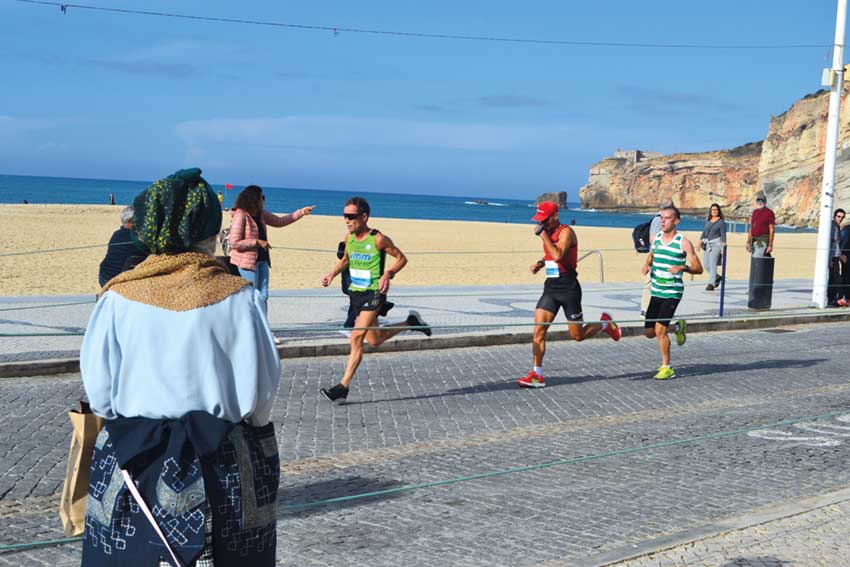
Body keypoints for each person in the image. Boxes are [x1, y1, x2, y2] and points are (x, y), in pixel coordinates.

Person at [80, 168, 281, 566]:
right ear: (207, 231)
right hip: (218, 461)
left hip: (133, 459)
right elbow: (261, 395)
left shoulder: (117, 298)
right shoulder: (240, 300)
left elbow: (100, 393)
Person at [319, 197, 431, 404]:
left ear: (364, 217)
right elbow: (345, 260)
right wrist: (331, 274)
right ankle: (411, 322)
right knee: (375, 339)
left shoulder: (378, 239)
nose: (346, 220)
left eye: (351, 216)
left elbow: (402, 258)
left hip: (374, 294)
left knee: (356, 337)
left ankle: (343, 386)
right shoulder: (349, 237)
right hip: (356, 294)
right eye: (344, 216)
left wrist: (387, 273)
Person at [518, 201, 621, 388]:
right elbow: (550, 256)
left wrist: (543, 236)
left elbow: (558, 255)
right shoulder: (547, 232)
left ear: (555, 217)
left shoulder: (567, 233)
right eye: (539, 220)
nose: (541, 224)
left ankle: (604, 323)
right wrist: (540, 264)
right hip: (551, 287)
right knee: (538, 331)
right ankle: (536, 374)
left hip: (568, 288)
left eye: (544, 220)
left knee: (577, 335)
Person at [228, 185, 315, 323]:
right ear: (254, 199)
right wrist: (257, 242)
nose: (264, 200)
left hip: (262, 260)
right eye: (262, 197)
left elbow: (279, 221)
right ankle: (250, 328)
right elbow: (234, 243)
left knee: (263, 296)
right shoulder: (241, 215)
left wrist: (301, 212)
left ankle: (264, 329)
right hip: (247, 263)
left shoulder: (261, 213)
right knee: (251, 297)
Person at [642, 204, 703, 380]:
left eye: (667, 218)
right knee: (649, 332)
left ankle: (666, 367)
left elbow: (698, 268)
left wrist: (683, 267)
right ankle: (677, 327)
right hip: (656, 291)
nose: (663, 221)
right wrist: (647, 264)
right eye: (661, 218)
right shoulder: (657, 238)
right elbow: (652, 254)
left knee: (660, 330)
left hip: (672, 292)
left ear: (676, 221)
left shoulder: (683, 242)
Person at [97, 206, 148, 286]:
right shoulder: (136, 238)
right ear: (130, 221)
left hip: (103, 275)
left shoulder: (116, 234)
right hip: (116, 280)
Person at [640, 199, 672, 315]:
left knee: (658, 282)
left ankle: (652, 308)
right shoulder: (659, 220)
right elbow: (653, 240)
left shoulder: (660, 219)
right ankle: (645, 309)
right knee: (650, 281)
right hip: (657, 255)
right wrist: (649, 260)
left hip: (660, 255)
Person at [699, 203, 727, 291]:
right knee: (706, 265)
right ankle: (717, 277)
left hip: (716, 245)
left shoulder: (721, 222)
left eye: (716, 210)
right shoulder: (708, 220)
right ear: (710, 211)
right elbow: (704, 233)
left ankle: (711, 284)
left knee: (712, 264)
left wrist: (723, 248)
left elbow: (723, 235)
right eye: (712, 210)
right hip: (708, 244)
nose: (714, 211)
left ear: (718, 211)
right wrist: (699, 242)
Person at [828, 208, 847, 307]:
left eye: (842, 217)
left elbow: (837, 244)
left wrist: (840, 255)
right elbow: (830, 243)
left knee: (832, 279)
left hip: (835, 256)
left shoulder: (837, 227)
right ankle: (839, 299)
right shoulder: (831, 226)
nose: (840, 219)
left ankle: (831, 299)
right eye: (838, 216)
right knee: (837, 279)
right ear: (834, 216)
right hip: (831, 257)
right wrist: (829, 259)